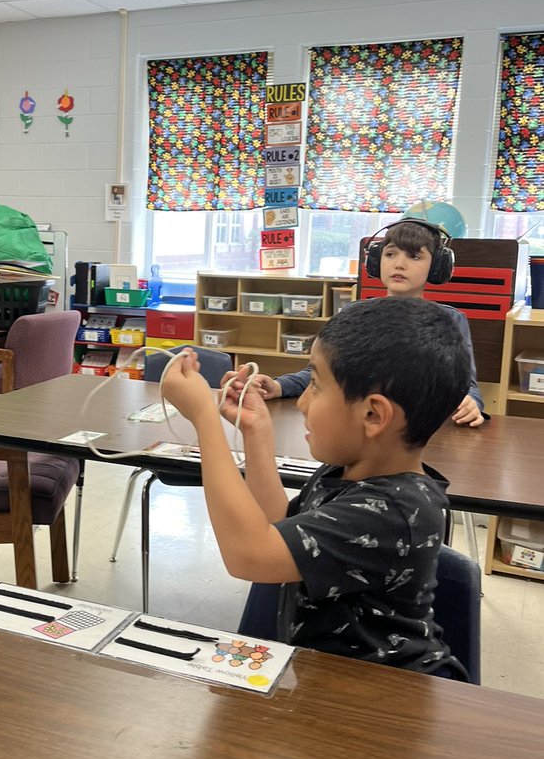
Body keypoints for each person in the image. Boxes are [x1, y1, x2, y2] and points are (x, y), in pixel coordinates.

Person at [161, 298, 471, 679]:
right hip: (328, 680)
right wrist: (256, 433)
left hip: (387, 698)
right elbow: (277, 527)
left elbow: (248, 555)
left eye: (316, 386)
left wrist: (204, 418)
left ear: (373, 414)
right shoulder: (349, 470)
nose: (303, 402)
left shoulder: (394, 511)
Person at [253, 219, 486, 427]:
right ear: (376, 261)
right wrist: (279, 386)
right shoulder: (354, 315)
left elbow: (467, 386)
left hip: (419, 432)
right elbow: (321, 374)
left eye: (414, 256)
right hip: (361, 427)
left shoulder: (450, 321)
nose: (399, 264)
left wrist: (471, 402)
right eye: (390, 254)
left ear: (437, 267)